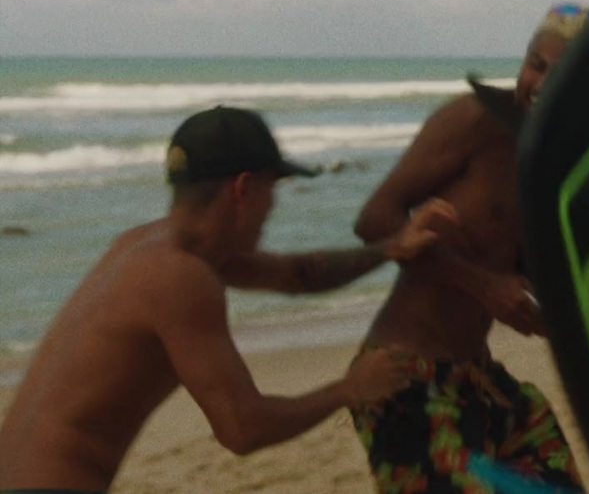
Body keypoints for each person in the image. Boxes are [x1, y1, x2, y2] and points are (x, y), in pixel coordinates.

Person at [0, 106, 450, 493]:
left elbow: (299, 275)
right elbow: (242, 428)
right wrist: (349, 390)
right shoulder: (181, 279)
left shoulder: (144, 247)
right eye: (273, 189)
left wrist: (392, 246)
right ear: (243, 189)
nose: (273, 206)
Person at [350, 3, 589, 492]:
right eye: (535, 64)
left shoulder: (560, 158)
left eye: (561, 72)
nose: (541, 83)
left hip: (477, 381)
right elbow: (374, 219)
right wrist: (484, 286)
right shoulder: (473, 123)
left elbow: (526, 269)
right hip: (404, 381)